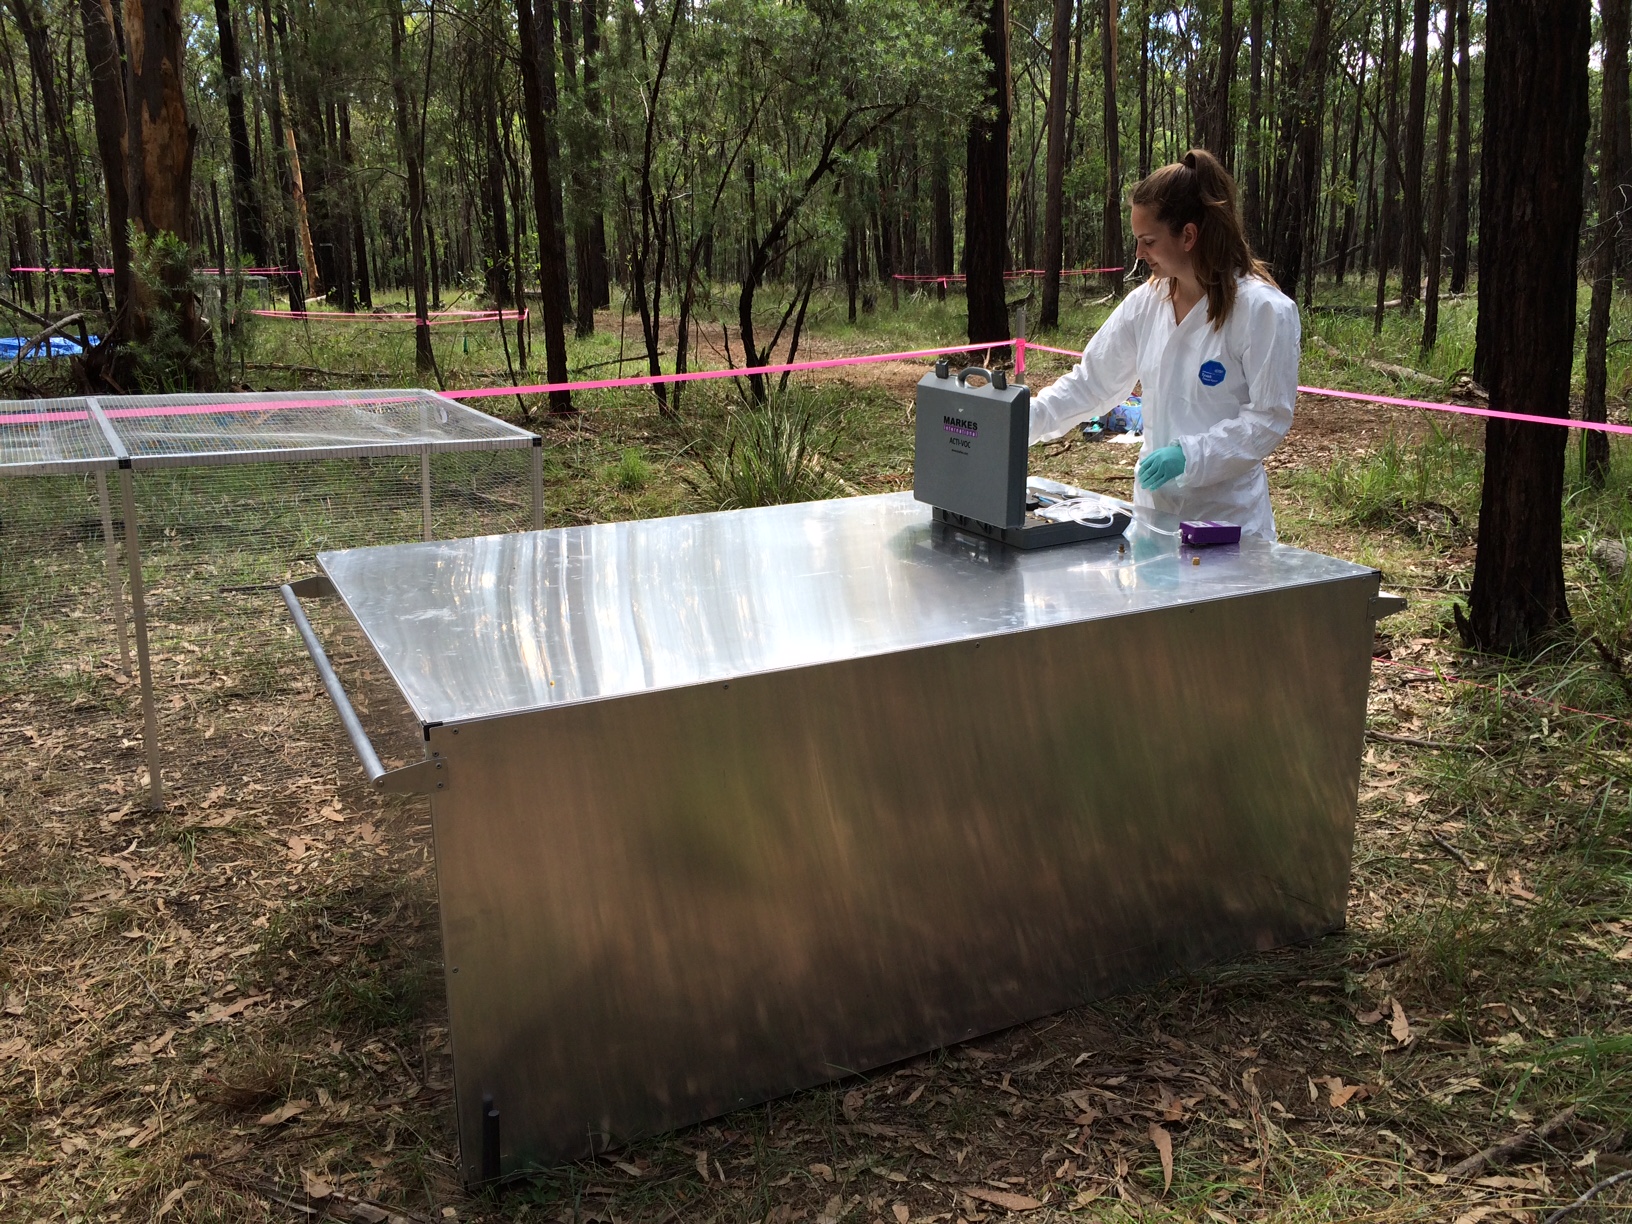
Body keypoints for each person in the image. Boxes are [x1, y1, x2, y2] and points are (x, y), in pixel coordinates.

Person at [1029, 149, 1300, 540]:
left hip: (1226, 524)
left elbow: (1268, 419)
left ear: (1188, 235)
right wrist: (1023, 420)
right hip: (1154, 516)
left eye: (1149, 241)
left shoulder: (1263, 311)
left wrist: (1190, 456)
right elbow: (1092, 382)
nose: (1139, 253)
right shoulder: (1147, 304)